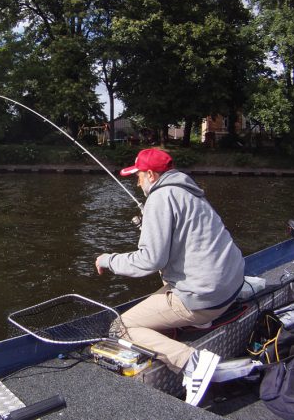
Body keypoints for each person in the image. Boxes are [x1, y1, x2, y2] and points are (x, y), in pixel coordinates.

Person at [96, 148, 244, 406]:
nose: (137, 181)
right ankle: (200, 322)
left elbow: (149, 262)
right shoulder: (188, 191)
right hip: (230, 287)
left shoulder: (160, 198)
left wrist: (107, 260)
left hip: (205, 298)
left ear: (151, 175)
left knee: (121, 326)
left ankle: (191, 362)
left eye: (139, 176)